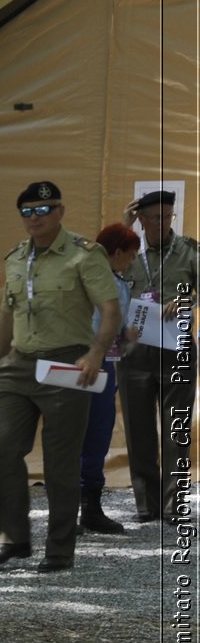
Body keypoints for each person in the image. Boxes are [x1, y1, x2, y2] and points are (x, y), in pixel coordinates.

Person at [0, 180, 121, 572]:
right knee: (3, 450)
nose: (35, 218)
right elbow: (5, 316)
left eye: (43, 210)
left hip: (67, 365)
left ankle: (59, 551)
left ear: (60, 211)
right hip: (20, 363)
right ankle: (13, 539)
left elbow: (110, 308)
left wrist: (95, 355)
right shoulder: (15, 258)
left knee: (60, 462)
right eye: (27, 212)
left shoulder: (84, 255)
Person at [119, 189, 199, 524]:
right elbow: (102, 276)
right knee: (137, 429)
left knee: (175, 427)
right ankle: (146, 503)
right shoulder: (128, 252)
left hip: (176, 345)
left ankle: (173, 503)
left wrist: (188, 300)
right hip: (135, 348)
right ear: (141, 219)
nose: (163, 223)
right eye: (156, 217)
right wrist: (123, 229)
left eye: (168, 216)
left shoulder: (189, 250)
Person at [78, 223, 141, 535]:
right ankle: (80, 507)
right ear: (116, 253)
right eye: (129, 256)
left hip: (103, 362)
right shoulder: (97, 277)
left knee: (94, 434)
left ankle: (85, 506)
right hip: (89, 362)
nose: (130, 262)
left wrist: (128, 339)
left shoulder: (113, 278)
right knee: (82, 434)